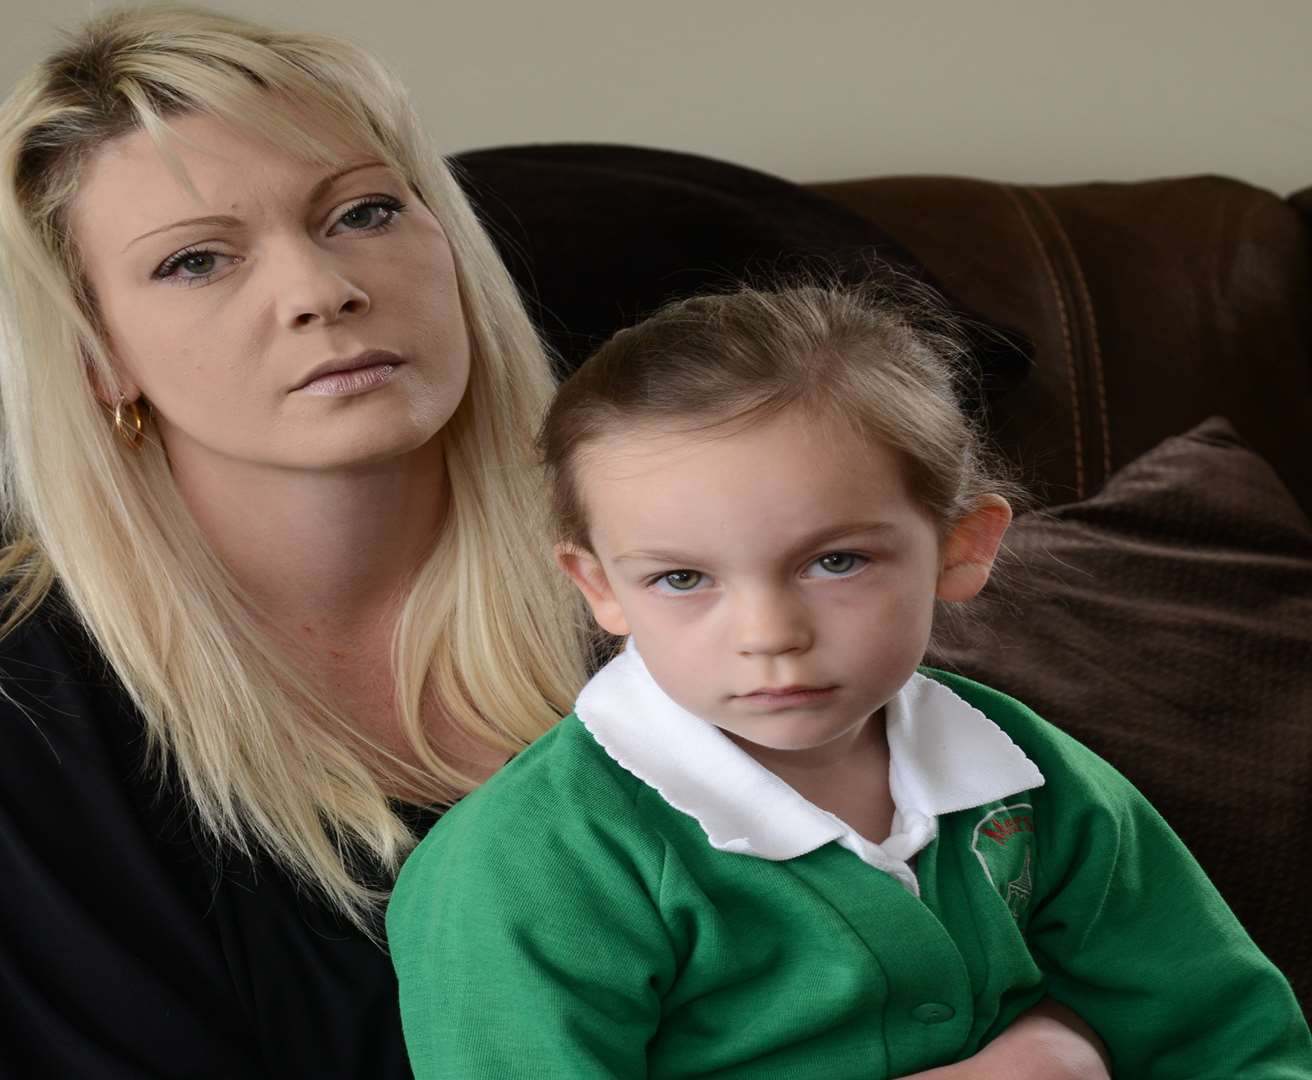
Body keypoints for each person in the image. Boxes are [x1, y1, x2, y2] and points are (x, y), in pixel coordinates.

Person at [0, 6, 1117, 1077]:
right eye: (198, 261)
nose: (319, 288)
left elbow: (1043, 907)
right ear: (96, 359)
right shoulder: (9, 706)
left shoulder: (666, 560)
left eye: (362, 212)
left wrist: (1062, 1037)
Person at [386, 281, 1312, 1078]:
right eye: (682, 579)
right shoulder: (531, 866)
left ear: (962, 547)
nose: (770, 637)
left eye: (835, 562)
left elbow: (1222, 1031)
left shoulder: (1029, 774)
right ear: (601, 588)